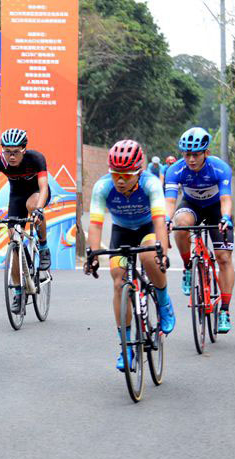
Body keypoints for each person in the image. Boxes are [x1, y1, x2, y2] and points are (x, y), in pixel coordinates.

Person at [84, 139, 176, 370]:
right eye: (116, 174)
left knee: (148, 257)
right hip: (122, 231)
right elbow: (95, 225)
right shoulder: (102, 187)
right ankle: (125, 346)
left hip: (147, 229)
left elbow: (159, 221)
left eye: (127, 174)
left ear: (139, 172)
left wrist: (162, 254)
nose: (121, 180)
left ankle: (164, 302)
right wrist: (93, 255)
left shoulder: (151, 184)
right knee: (118, 279)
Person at [165, 127, 235, 333]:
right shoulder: (175, 170)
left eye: (196, 154)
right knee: (180, 223)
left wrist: (225, 218)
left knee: (223, 258)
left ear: (206, 153)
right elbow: (170, 201)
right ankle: (188, 267)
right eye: (187, 155)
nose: (191, 159)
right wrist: (167, 219)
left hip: (215, 208)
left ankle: (224, 310)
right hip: (192, 205)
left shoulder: (220, 168)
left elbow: (225, 198)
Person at [0, 128, 51, 311]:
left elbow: (44, 186)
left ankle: (43, 247)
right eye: (7, 151)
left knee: (33, 206)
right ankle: (19, 293)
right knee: (13, 241)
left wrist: (39, 209)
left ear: (24, 149)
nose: (11, 156)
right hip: (16, 197)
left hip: (37, 194)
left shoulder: (36, 158)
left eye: (15, 152)